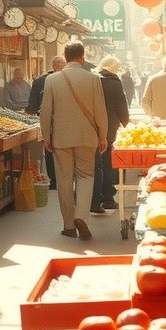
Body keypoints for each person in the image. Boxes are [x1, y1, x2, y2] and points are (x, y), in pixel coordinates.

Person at [40, 40, 108, 241]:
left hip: (61, 138)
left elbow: (45, 112)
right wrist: (102, 136)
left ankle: (69, 225)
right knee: (86, 176)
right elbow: (100, 112)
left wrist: (46, 136)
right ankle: (81, 216)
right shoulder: (93, 79)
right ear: (82, 57)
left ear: (65, 56)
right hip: (87, 137)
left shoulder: (52, 80)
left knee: (64, 179)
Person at [91, 55, 129, 214]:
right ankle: (108, 197)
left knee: (94, 163)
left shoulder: (92, 80)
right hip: (109, 128)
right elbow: (122, 106)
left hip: (92, 126)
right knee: (107, 162)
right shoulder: (114, 83)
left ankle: (94, 198)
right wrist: (126, 123)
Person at [26, 55, 66, 189]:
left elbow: (32, 106)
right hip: (65, 122)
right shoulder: (69, 80)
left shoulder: (40, 81)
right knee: (64, 151)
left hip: (47, 121)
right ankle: (64, 178)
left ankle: (54, 180)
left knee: (49, 150)